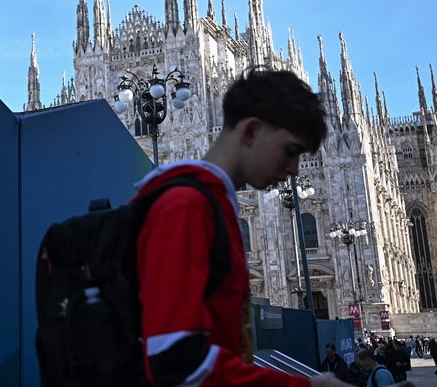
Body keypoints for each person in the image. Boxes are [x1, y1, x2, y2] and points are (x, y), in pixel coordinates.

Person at [132, 68, 347, 386]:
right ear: (250, 132)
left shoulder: (216, 204)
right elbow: (174, 360)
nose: (293, 170)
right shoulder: (185, 206)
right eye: (290, 151)